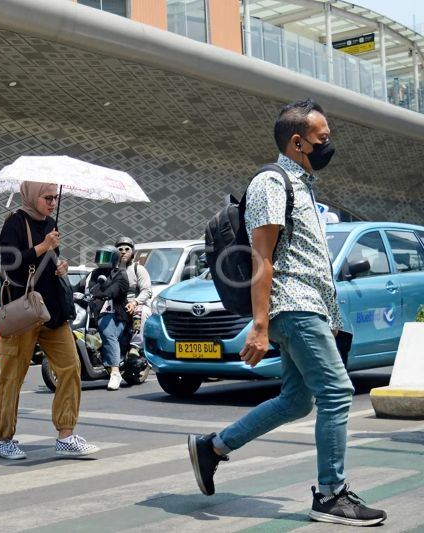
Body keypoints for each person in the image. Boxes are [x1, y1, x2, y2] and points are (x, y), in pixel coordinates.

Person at [186, 99, 387, 526]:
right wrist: (259, 326)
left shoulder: (301, 185)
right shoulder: (272, 183)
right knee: (336, 392)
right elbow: (262, 258)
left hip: (309, 307)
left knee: (297, 401)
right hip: (293, 307)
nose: (328, 145)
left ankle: (214, 447)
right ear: (298, 142)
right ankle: (331, 495)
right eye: (322, 139)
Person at [0, 181, 99, 459]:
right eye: (47, 197)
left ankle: (66, 435)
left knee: (71, 368)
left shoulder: (50, 223)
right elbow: (11, 265)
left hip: (51, 311)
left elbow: (48, 262)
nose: (52, 203)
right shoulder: (15, 223)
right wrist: (43, 246)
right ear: (31, 196)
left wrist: (60, 265)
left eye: (54, 198)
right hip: (22, 312)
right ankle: (4, 438)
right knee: (11, 378)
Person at [86, 245, 129, 391]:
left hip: (115, 315)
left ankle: (115, 372)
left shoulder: (120, 275)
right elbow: (83, 287)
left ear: (114, 258)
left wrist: (101, 293)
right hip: (94, 314)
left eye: (105, 257)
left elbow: (113, 290)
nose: (101, 260)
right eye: (100, 256)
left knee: (108, 331)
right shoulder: (94, 274)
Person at [115, 237, 152, 357]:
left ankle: (135, 347)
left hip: (136, 305)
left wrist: (134, 303)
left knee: (141, 312)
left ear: (132, 253)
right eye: (120, 249)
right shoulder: (112, 270)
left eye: (127, 249)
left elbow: (146, 291)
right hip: (116, 305)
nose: (123, 251)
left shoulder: (138, 269)